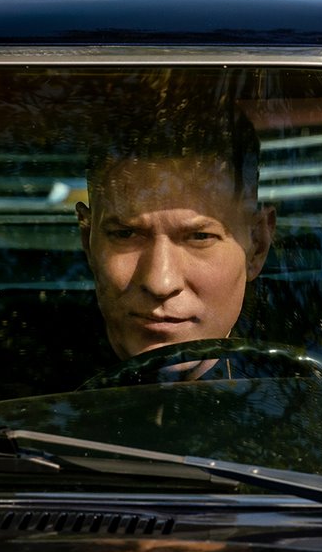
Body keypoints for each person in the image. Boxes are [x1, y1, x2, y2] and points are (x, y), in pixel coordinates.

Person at [75, 110, 272, 379]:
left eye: (199, 237)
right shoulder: (23, 380)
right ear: (88, 242)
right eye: (126, 234)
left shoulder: (321, 375)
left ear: (257, 247)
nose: (161, 282)